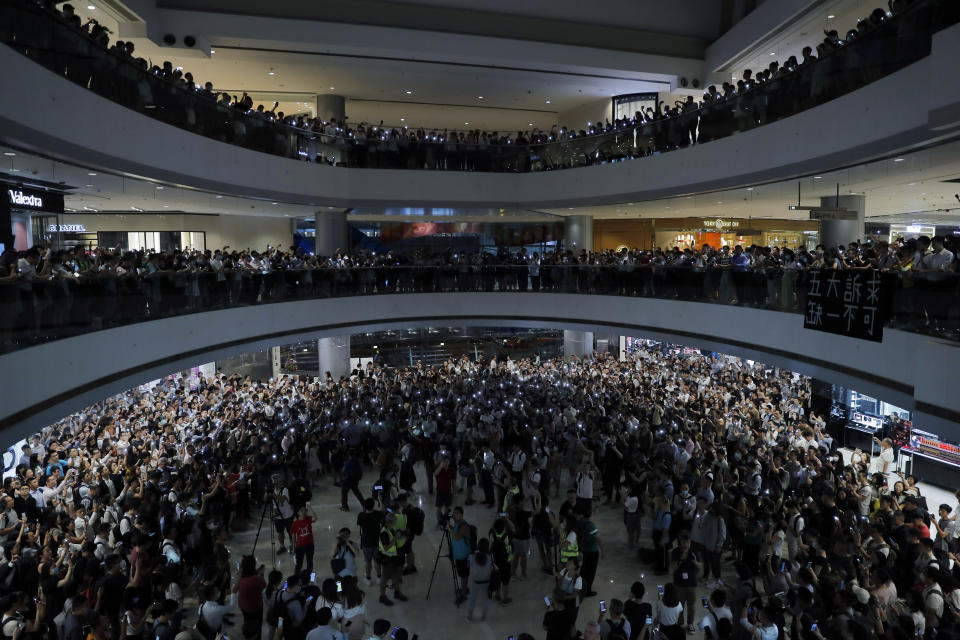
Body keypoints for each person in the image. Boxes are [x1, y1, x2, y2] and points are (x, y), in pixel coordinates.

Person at [465, 538, 493, 622]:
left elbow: (467, 565)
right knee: (485, 599)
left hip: (475, 582)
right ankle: (483, 616)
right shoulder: (491, 556)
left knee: (472, 599)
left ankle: (470, 616)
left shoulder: (472, 556)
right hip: (487, 581)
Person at [356, 499, 383, 586]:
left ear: (364, 506)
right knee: (377, 561)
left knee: (367, 561)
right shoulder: (378, 514)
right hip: (377, 541)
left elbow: (360, 525)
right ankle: (379, 577)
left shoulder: (361, 515)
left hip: (366, 542)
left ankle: (368, 578)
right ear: (373, 506)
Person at [290, 505, 316, 575]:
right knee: (299, 564)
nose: (304, 512)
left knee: (310, 562)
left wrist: (310, 508)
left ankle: (310, 577)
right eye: (302, 510)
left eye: (305, 510)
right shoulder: (295, 523)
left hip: (310, 545)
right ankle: (296, 577)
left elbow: (315, 518)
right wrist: (293, 548)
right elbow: (293, 537)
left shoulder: (308, 519)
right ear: (298, 512)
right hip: (300, 546)